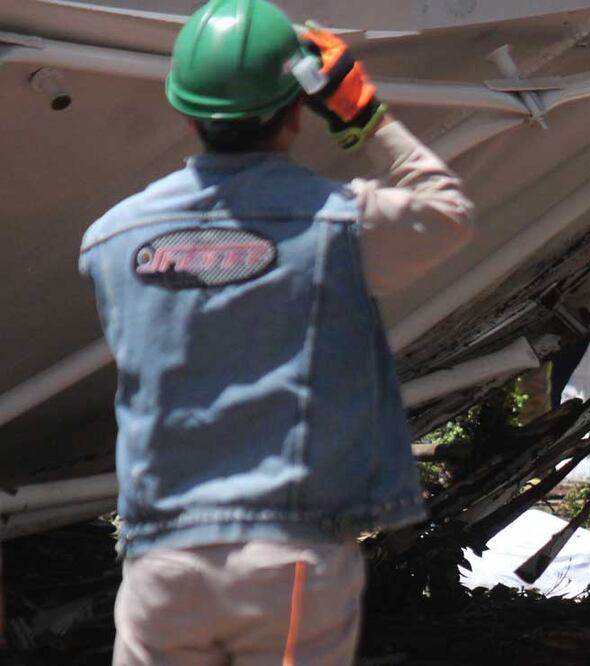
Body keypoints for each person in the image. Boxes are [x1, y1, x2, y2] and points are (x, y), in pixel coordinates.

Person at [77, 1, 473, 662]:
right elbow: (448, 213)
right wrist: (365, 116)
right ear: (298, 113)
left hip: (162, 564)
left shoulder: (111, 240)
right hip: (288, 562)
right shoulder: (342, 223)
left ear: (183, 110)